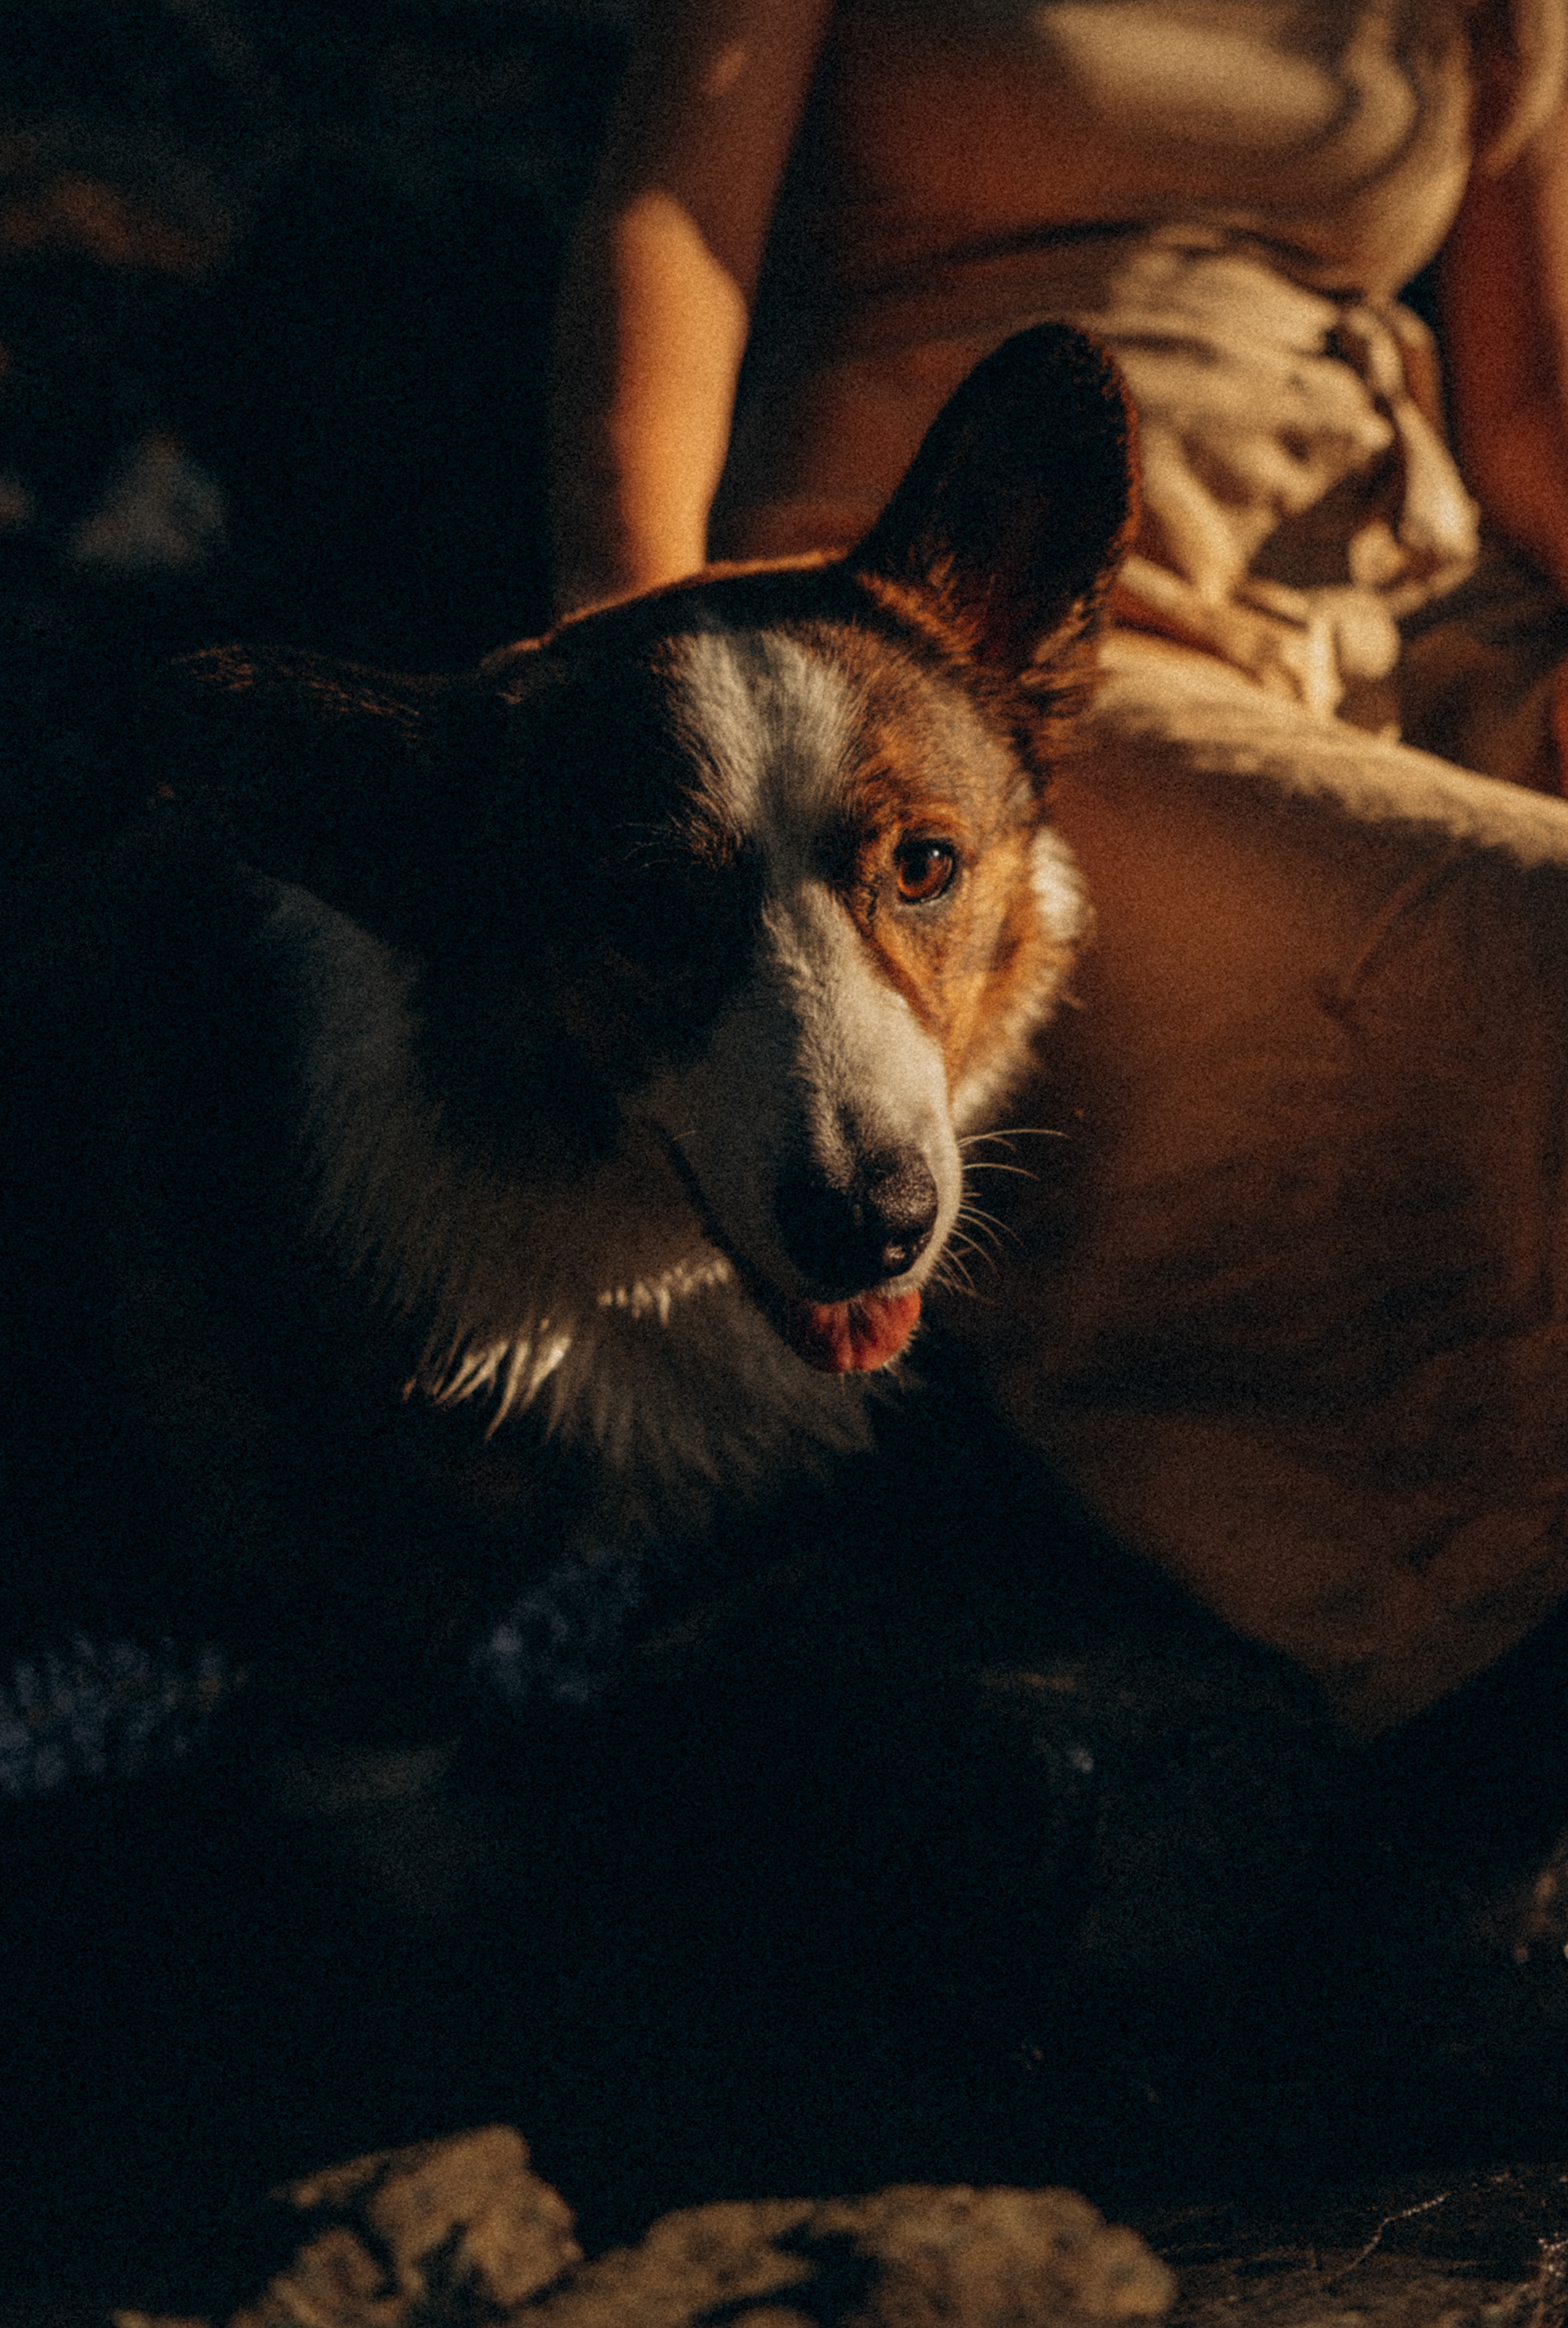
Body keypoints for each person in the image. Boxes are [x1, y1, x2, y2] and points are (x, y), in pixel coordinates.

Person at [545, 2, 1568, 1749]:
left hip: (1404, 599)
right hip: (971, 658)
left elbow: (1535, 402)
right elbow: (673, 231)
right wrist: (636, 661)